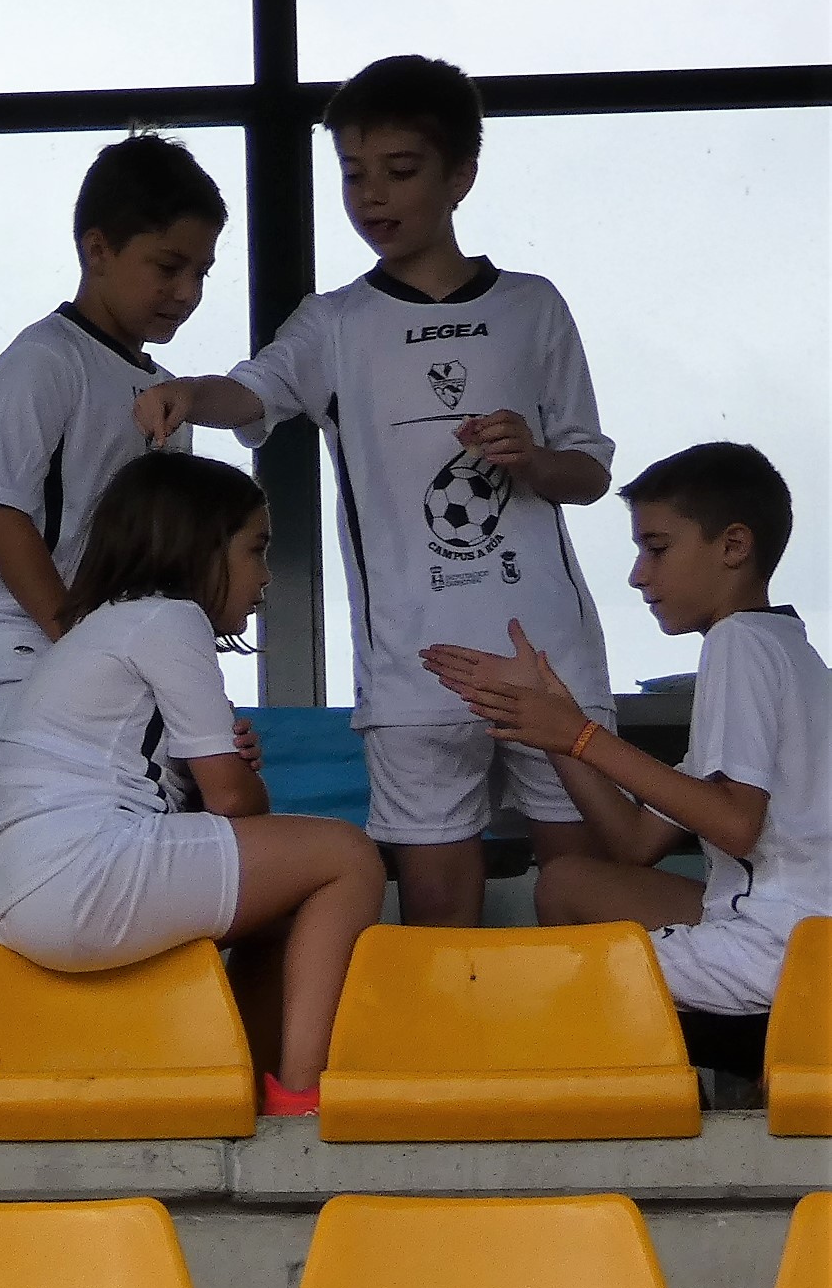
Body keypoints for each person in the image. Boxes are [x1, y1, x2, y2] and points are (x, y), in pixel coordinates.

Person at [138, 54, 616, 928]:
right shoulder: (334, 322)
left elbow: (588, 472)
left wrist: (533, 458)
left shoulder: (531, 306)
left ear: (459, 175)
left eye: (399, 171)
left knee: (587, 906)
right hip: (413, 676)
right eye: (353, 174)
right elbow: (250, 391)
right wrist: (187, 393)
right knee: (437, 926)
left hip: (551, 663)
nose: (372, 197)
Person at [0, 453, 381, 1115]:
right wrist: (235, 778)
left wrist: (203, 772)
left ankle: (243, 1087)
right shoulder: (168, 618)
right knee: (347, 857)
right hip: (79, 873)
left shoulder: (102, 626)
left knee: (283, 909)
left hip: (7, 894)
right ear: (198, 547)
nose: (266, 576)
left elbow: (166, 783)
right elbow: (234, 803)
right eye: (255, 549)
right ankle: (303, 1096)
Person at [427, 443, 826, 1080]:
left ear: (733, 546)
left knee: (547, 983)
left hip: (782, 964)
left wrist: (582, 734)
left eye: (656, 548)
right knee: (569, 882)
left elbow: (734, 824)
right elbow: (634, 842)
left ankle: (653, 1115)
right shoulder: (788, 648)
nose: (639, 575)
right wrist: (557, 727)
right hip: (803, 941)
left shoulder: (738, 644)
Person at [0, 134, 227, 769]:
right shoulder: (44, 360)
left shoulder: (166, 394)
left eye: (202, 273)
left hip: (114, 649)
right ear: (97, 249)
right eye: (168, 267)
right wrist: (76, 639)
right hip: (15, 637)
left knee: (185, 782)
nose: (187, 292)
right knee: (50, 768)